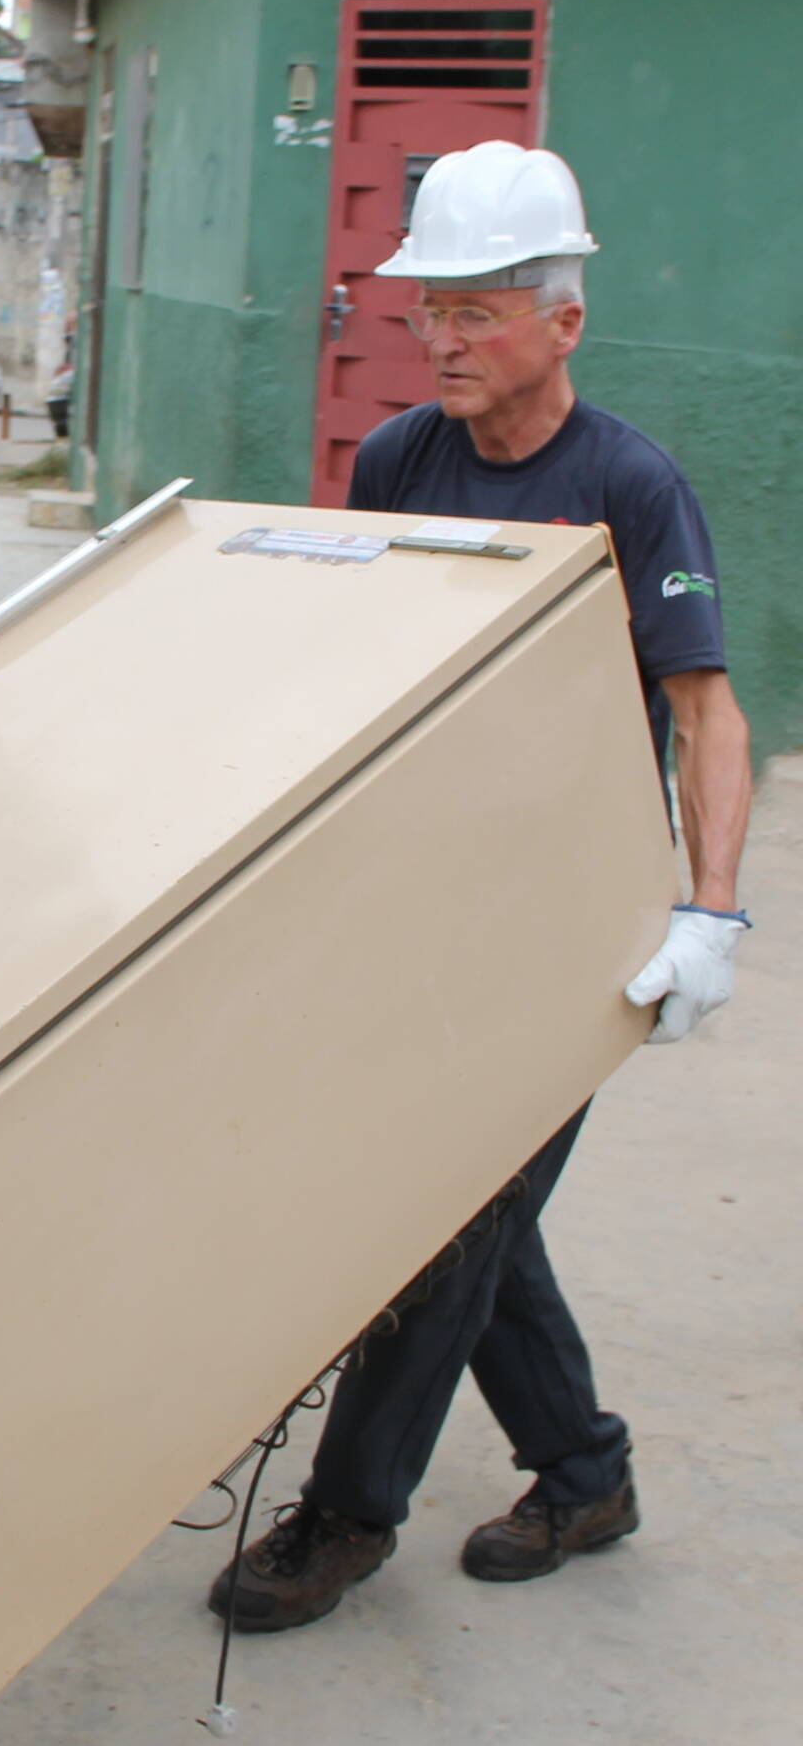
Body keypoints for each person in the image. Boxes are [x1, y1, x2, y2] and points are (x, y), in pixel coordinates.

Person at [210, 141, 754, 1633]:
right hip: (433, 902)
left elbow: (706, 709)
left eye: (477, 311)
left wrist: (709, 910)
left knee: (445, 1214)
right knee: (486, 1208)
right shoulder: (398, 461)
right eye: (429, 310)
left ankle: (347, 1516)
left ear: (563, 321)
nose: (440, 339)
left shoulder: (628, 484)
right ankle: (585, 1474)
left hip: (575, 919)